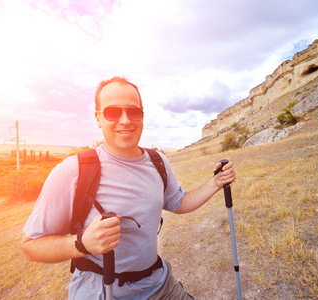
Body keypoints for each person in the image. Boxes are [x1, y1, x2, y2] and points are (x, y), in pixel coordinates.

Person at [21, 76, 236, 299]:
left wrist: (216, 183)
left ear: (142, 116)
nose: (125, 120)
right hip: (102, 292)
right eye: (113, 112)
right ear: (98, 118)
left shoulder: (157, 161)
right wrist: (83, 244)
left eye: (134, 112)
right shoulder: (73, 171)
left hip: (159, 283)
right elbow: (30, 246)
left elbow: (179, 202)